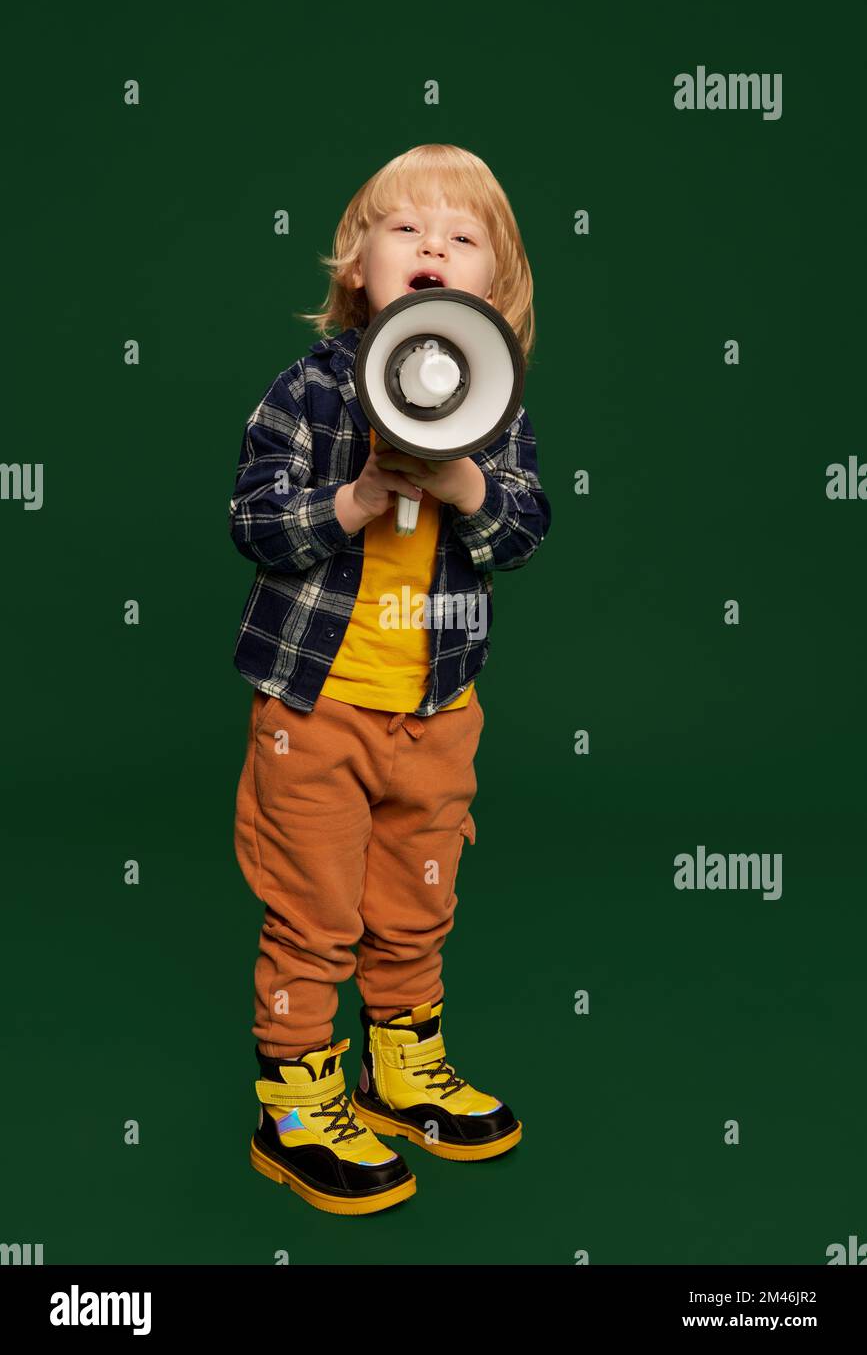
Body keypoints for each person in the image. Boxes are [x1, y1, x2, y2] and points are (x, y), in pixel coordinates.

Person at [229, 143, 552, 1216]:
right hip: (315, 712)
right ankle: (294, 1097)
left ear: (492, 291)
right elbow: (258, 524)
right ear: (356, 268)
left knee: (417, 900)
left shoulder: (495, 406)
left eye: (460, 238)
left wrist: (464, 481)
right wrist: (355, 501)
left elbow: (526, 528)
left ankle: (399, 1068)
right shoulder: (309, 390)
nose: (430, 247)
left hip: (437, 711)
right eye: (404, 230)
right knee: (313, 909)